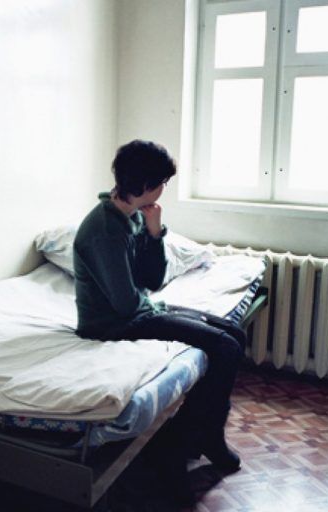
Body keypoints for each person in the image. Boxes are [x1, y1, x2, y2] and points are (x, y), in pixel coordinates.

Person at [73, 139, 246, 501]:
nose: (164, 188)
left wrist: (155, 232)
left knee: (234, 333)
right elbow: (124, 305)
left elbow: (152, 281)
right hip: (111, 324)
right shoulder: (105, 230)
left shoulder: (133, 216)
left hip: (138, 311)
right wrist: (158, 310)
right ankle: (179, 444)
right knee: (224, 347)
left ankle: (205, 435)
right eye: (163, 181)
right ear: (145, 183)